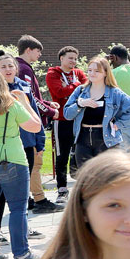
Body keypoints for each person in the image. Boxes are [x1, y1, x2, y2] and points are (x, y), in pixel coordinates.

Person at [0, 67, 44, 259]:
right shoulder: (11, 104)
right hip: (12, 160)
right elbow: (35, 126)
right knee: (18, 209)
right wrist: (25, 102)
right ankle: (21, 254)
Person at [62, 56, 130, 174]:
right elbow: (67, 114)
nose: (92, 73)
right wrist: (80, 103)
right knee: (86, 180)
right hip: (82, 140)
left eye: (97, 71)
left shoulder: (114, 92)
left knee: (106, 179)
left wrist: (119, 124)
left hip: (107, 140)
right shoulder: (80, 91)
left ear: (105, 73)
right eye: (90, 70)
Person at [16, 35, 59, 211]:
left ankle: (32, 198)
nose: (40, 54)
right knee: (34, 162)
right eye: (38, 51)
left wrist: (47, 103)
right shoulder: (24, 69)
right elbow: (29, 98)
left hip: (28, 121)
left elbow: (33, 96)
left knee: (33, 160)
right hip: (30, 123)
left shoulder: (24, 67)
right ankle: (38, 200)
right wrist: (49, 111)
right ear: (28, 50)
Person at [46, 46, 87, 202]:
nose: (73, 61)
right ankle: (62, 190)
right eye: (70, 58)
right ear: (61, 58)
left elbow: (87, 87)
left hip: (79, 119)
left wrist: (70, 88)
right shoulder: (53, 73)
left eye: (75, 59)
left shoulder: (79, 73)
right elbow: (58, 92)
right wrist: (77, 86)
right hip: (62, 120)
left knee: (81, 153)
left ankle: (83, 187)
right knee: (61, 155)